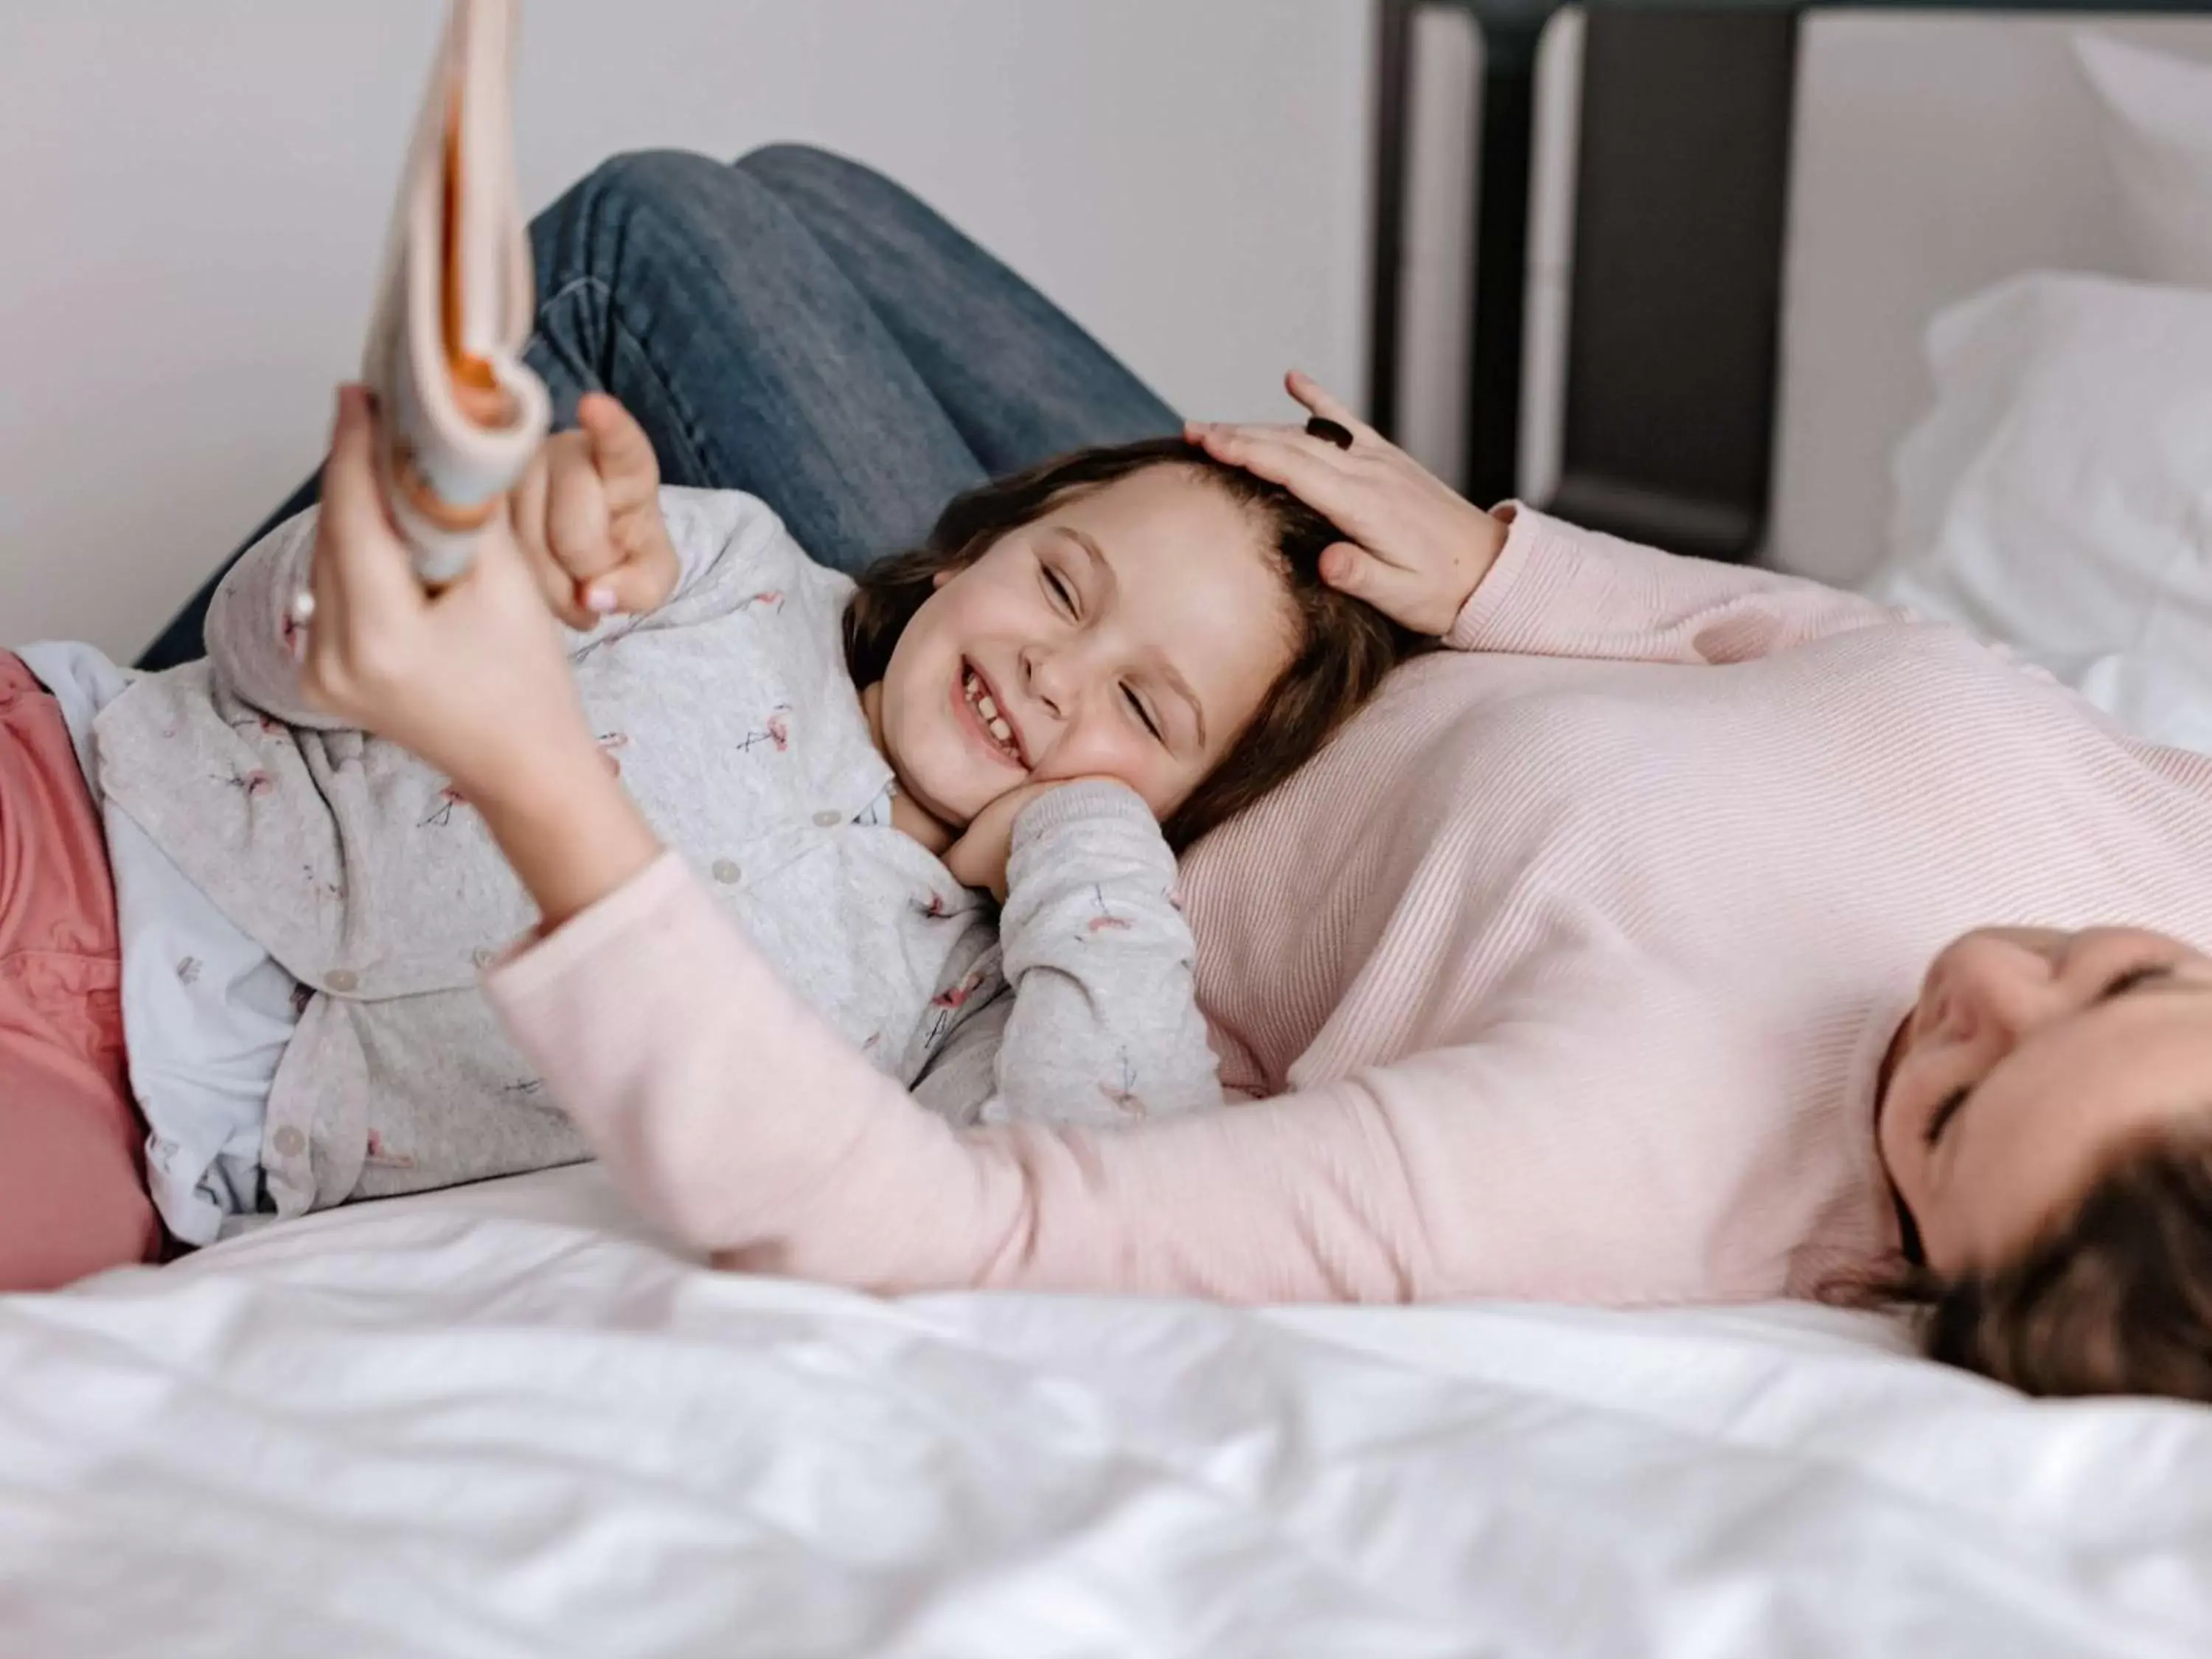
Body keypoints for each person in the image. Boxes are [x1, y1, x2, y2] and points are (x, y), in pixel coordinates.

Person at [269, 148, 2212, 1406]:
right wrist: (1510, 572)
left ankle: (251, 766)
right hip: (1355, 595)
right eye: (2121, 976)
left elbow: (1013, 1228)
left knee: (645, 243)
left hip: (1140, 744)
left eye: (1958, 1107)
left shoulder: (1634, 1167)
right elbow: (1857, 656)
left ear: (1936, 1290)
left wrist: (1081, 845)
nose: (1981, 983)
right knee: (803, 197)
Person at [3, 369, 1405, 1281]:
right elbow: (262, 640)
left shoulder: (966, 1002)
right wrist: (456, 562)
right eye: (1060, 585)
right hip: (80, 801)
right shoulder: (714, 565)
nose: (1056, 669)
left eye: (1144, 714)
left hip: (156, 1132)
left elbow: (1105, 1195)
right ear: (980, 544)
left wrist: (1085, 845)